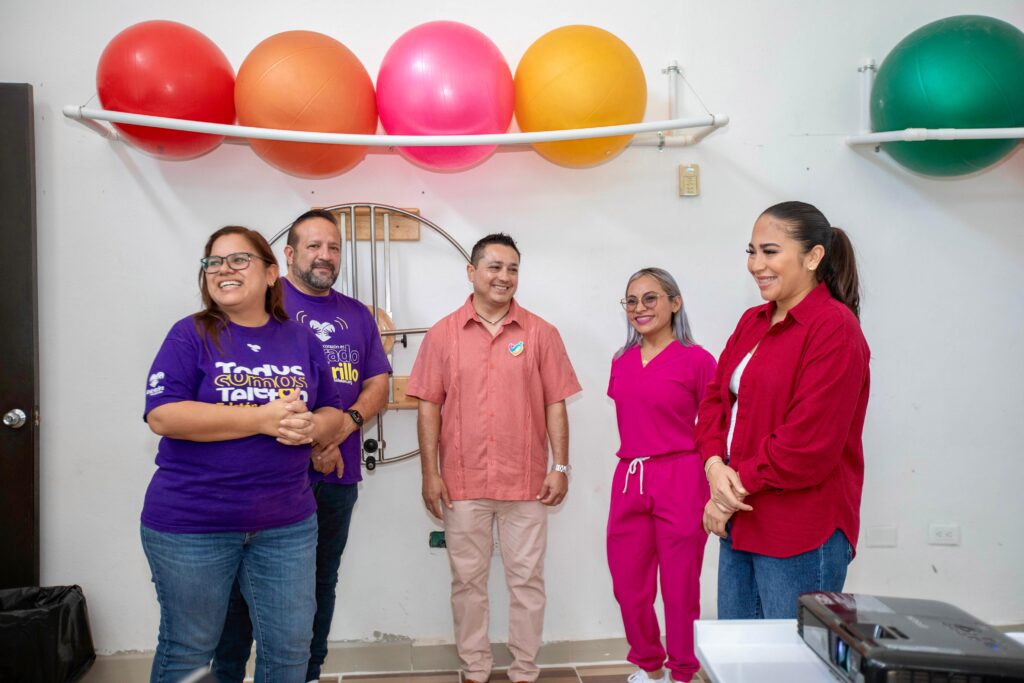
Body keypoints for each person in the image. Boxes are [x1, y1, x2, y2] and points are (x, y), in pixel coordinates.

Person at [141, 226, 346, 682]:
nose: (223, 270)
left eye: (238, 260)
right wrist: (260, 419)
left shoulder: (301, 340)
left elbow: (333, 409)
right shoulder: (190, 335)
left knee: (291, 648)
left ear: (272, 273)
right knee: (190, 648)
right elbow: (164, 415)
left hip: (287, 526)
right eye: (213, 262)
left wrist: (314, 426)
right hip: (192, 525)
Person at [213, 210, 391, 683]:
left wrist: (341, 429)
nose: (325, 256)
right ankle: (227, 673)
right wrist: (312, 444)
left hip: (337, 477)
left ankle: (307, 673)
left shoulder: (357, 314)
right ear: (288, 255)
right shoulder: (266, 307)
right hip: (273, 477)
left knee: (319, 584)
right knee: (241, 591)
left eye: (333, 247)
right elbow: (256, 386)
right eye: (314, 246)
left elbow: (377, 385)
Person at [406, 233, 581, 683]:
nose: (505, 277)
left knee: (527, 583)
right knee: (467, 585)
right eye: (495, 267)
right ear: (472, 272)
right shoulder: (443, 334)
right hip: (462, 483)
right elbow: (429, 405)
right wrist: (431, 473)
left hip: (526, 482)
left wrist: (559, 467)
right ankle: (475, 670)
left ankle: (524, 671)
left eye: (513, 269)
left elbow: (555, 403)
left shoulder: (541, 333)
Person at [696, 201, 870, 619]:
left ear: (813, 257)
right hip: (743, 520)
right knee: (740, 661)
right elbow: (716, 399)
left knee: (796, 668)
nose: (756, 264)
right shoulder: (753, 321)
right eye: (751, 251)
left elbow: (807, 442)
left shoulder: (835, 328)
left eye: (770, 251)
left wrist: (727, 492)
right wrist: (715, 467)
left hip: (800, 530)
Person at [606, 268, 717, 683]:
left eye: (650, 298)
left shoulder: (699, 361)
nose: (639, 308)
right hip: (630, 477)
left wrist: (715, 481)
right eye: (631, 301)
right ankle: (650, 667)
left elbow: (714, 425)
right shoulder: (621, 361)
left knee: (679, 587)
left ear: (675, 302)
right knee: (628, 585)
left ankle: (682, 672)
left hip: (682, 476)